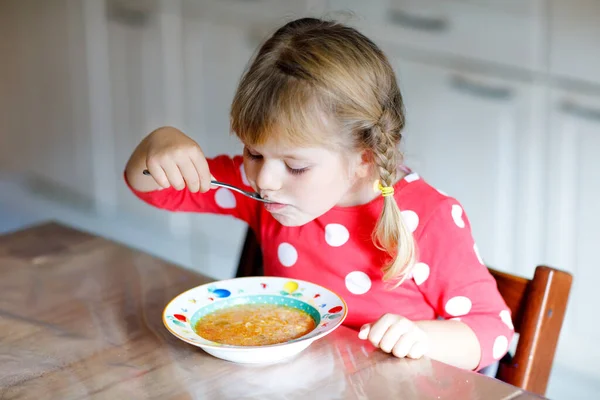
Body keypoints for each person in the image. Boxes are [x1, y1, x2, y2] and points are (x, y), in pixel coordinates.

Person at [124, 17, 514, 371]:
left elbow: (493, 329)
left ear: (363, 157)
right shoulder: (259, 188)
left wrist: (424, 338)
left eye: (296, 166)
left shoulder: (428, 218)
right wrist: (158, 144)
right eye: (254, 152)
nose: (265, 180)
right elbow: (154, 190)